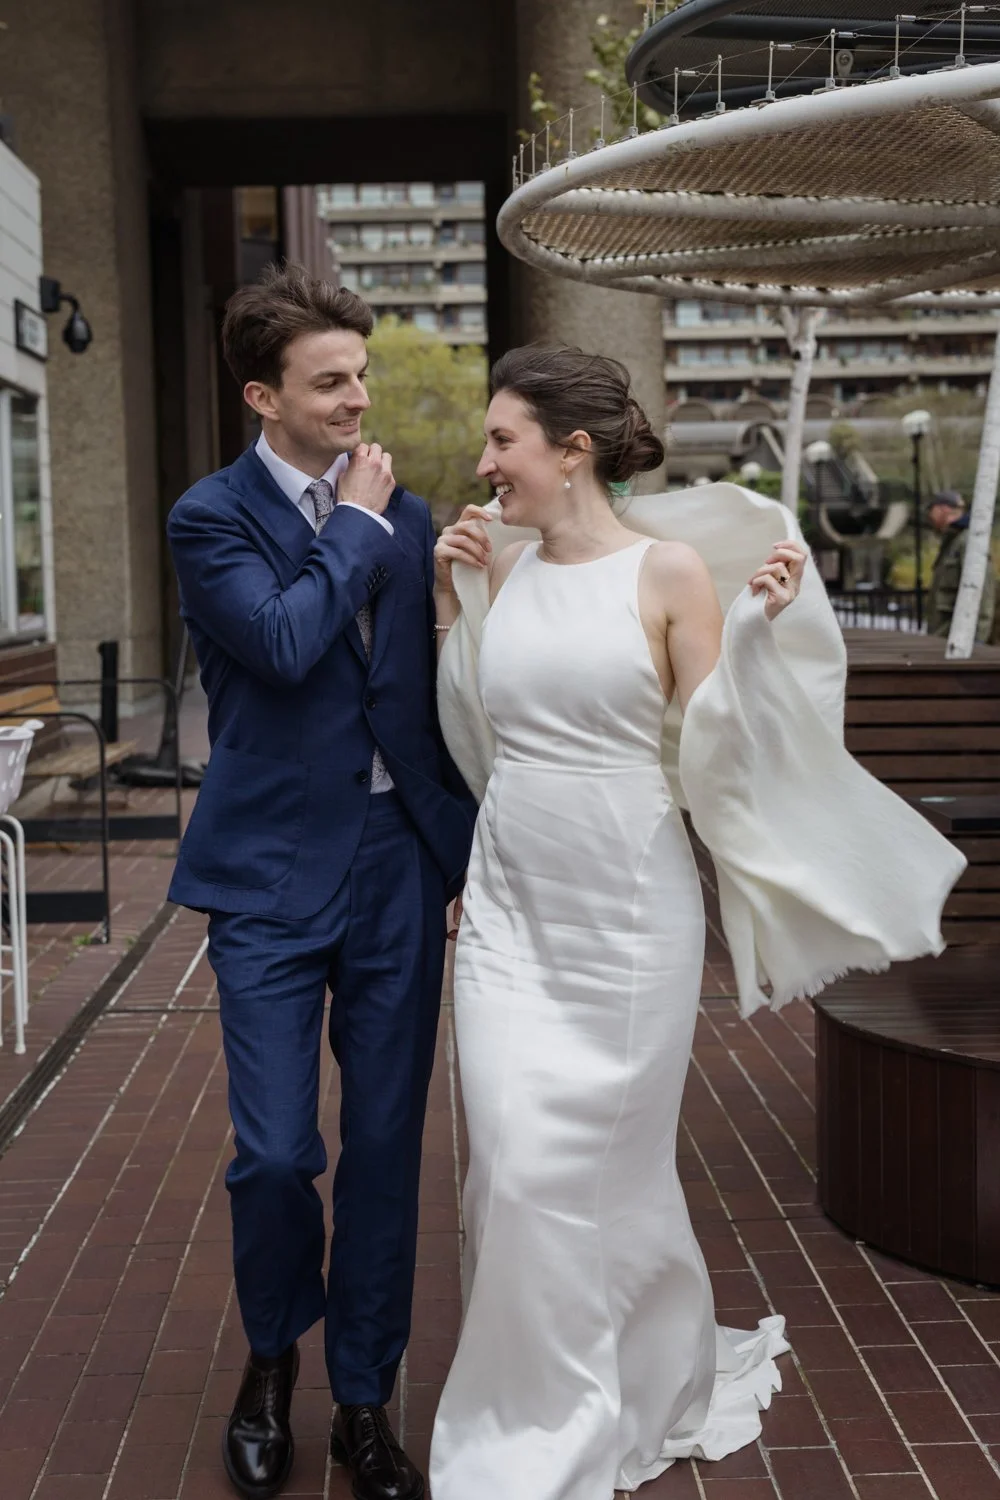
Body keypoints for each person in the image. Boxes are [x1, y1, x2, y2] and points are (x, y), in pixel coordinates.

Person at [427, 345, 965, 1500]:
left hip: (627, 913)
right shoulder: (497, 565)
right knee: (509, 1167)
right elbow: (476, 727)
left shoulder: (667, 572)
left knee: (601, 1171)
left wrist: (756, 631)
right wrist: (447, 608)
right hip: (512, 903)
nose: (484, 463)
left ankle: (628, 1389)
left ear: (572, 451)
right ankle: (530, 1414)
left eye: (502, 440)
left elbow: (720, 749)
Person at [166, 263, 476, 1500]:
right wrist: (354, 522)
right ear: (263, 396)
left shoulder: (407, 514)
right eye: (329, 381)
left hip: (397, 862)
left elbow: (430, 694)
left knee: (388, 1147)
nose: (358, 399)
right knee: (277, 1151)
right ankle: (268, 1358)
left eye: (361, 375)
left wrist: (461, 850)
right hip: (267, 872)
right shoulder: (210, 519)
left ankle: (361, 1399)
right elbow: (288, 643)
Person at [926, 489, 996, 643]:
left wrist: (976, 640)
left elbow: (983, 593)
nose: (930, 516)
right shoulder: (952, 541)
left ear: (943, 509)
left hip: (958, 641)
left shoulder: (968, 541)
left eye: (932, 510)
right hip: (943, 639)